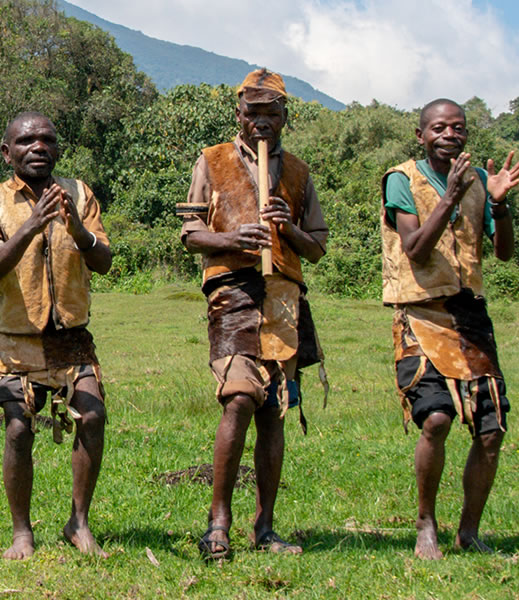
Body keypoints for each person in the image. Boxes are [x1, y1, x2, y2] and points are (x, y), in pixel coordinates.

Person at [177, 69, 328, 560]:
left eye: (271, 113)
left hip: (283, 293)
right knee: (240, 397)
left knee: (273, 409)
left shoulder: (299, 172)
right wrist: (232, 240)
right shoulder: (212, 160)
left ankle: (264, 528)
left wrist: (288, 229)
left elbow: (318, 248)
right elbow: (191, 234)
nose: (261, 122)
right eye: (252, 113)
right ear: (238, 114)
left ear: (285, 117)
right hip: (231, 290)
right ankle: (217, 523)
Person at [380, 98, 519, 559]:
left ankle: (469, 531)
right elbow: (416, 249)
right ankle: (426, 524)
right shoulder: (402, 179)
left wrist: (498, 205)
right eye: (439, 128)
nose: (450, 134)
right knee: (437, 418)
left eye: (458, 127)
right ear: (421, 135)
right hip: (420, 310)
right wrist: (451, 196)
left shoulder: (479, 181)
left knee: (491, 427)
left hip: (470, 314)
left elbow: (501, 254)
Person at [0, 111, 112, 560]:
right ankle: (22, 532)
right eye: (27, 141)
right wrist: (32, 225)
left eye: (47, 139)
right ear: (7, 152)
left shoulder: (80, 194)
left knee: (92, 416)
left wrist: (78, 231)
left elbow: (103, 261)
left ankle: (78, 522)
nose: (39, 147)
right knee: (17, 428)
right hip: (15, 337)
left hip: (70, 334)